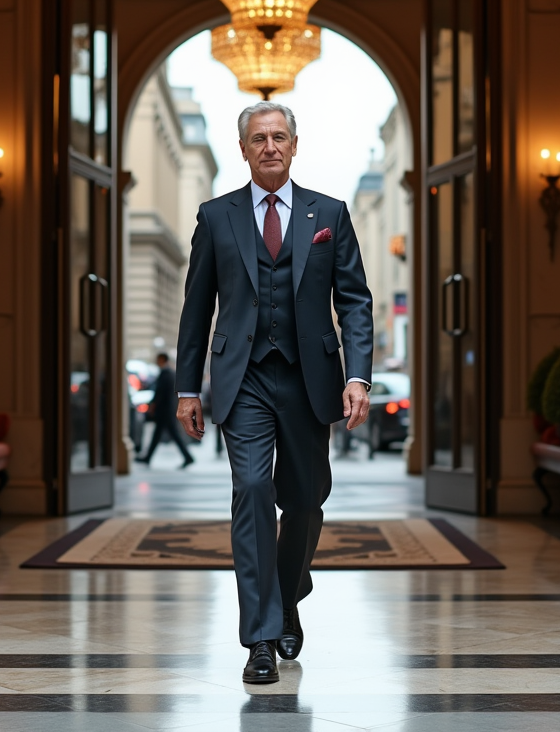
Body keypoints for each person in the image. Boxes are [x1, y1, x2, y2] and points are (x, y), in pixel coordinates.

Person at [175, 101, 373, 684]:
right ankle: (260, 637)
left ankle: (288, 596)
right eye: (258, 138)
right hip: (245, 378)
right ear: (243, 149)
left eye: (279, 137)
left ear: (294, 145)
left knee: (307, 501)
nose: (269, 146)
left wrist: (358, 377)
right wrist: (189, 387)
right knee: (254, 492)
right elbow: (196, 308)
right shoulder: (216, 217)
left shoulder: (328, 212)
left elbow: (355, 300)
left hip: (310, 378)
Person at [135, 353, 195, 468]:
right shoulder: (170, 373)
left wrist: (153, 406)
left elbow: (160, 394)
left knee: (172, 435)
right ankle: (148, 457)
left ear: (162, 359)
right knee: (160, 435)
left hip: (165, 411)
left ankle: (188, 457)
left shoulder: (166, 373)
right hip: (167, 410)